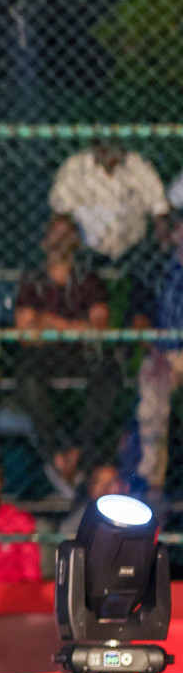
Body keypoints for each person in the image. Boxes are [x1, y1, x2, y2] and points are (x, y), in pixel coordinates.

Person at [13, 215, 122, 500]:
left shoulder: (88, 279)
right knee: (27, 376)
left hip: (82, 353)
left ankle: (79, 450)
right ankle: (56, 454)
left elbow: (98, 328)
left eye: (66, 233)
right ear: (44, 240)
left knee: (109, 371)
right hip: (43, 354)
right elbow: (26, 334)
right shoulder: (32, 280)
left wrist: (49, 322)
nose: (60, 239)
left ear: (76, 241)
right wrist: (74, 326)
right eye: (54, 233)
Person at [49, 138, 169, 268]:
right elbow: (60, 212)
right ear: (94, 146)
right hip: (86, 249)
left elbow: (159, 210)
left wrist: (163, 246)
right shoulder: (76, 166)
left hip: (133, 251)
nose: (109, 152)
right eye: (103, 147)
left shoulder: (138, 165)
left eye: (114, 145)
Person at [135, 214, 183, 502]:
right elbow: (142, 320)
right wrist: (159, 353)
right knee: (151, 380)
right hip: (167, 352)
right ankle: (153, 476)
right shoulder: (161, 272)